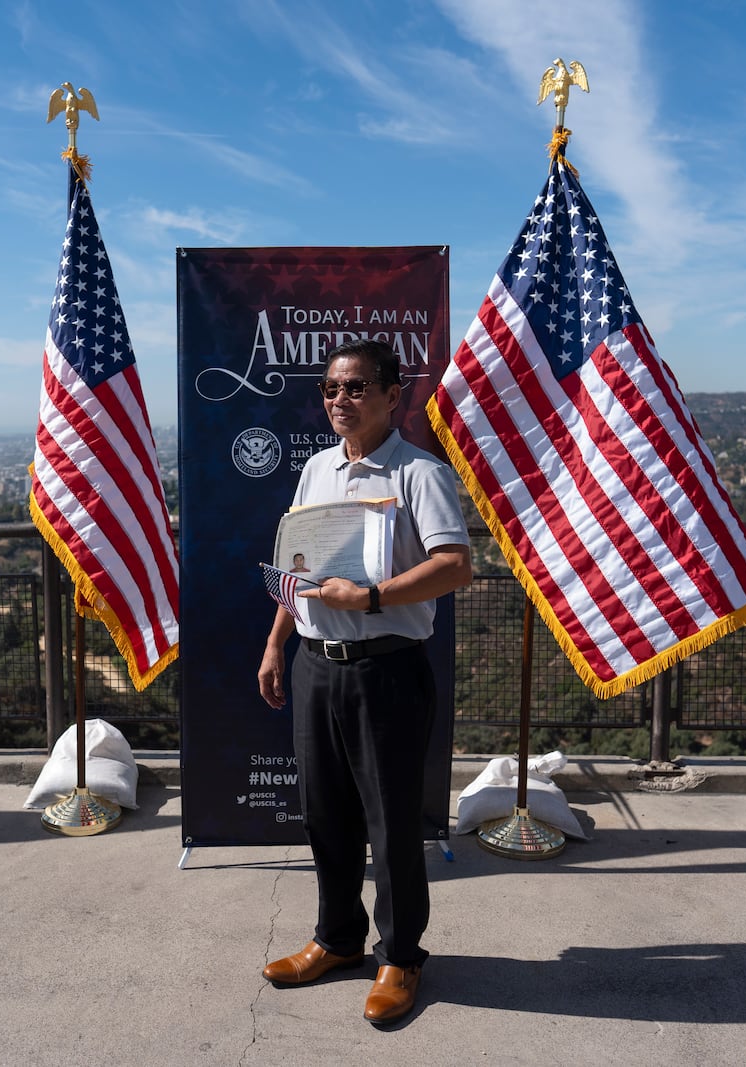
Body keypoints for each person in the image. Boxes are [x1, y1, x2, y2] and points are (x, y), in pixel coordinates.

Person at [256, 338, 472, 1028]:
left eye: (355, 387)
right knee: (327, 817)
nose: (339, 400)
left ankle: (401, 954)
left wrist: (371, 599)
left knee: (392, 825)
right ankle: (339, 940)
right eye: (329, 389)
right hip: (316, 663)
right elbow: (296, 569)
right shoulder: (316, 469)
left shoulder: (419, 472)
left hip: (386, 668)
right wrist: (275, 643)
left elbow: (455, 565)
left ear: (392, 394)